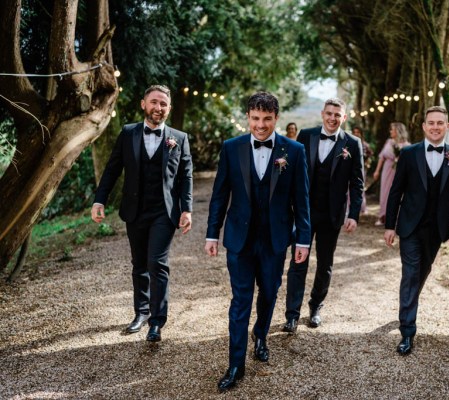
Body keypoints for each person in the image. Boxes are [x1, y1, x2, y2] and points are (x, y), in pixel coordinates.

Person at [205, 92, 310, 392]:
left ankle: (261, 335)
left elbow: (301, 201)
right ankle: (235, 364)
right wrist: (213, 233)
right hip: (239, 239)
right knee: (240, 301)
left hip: (276, 239)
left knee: (269, 293)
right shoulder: (231, 148)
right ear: (248, 117)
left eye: (266, 119)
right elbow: (219, 195)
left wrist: (303, 240)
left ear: (276, 118)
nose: (260, 125)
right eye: (255, 118)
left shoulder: (294, 150)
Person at [91, 85, 193, 342]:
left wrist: (187, 209)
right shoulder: (128, 133)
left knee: (156, 262)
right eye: (154, 102)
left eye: (164, 104)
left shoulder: (179, 138)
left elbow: (185, 177)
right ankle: (141, 312)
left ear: (168, 109)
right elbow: (113, 169)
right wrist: (99, 200)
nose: (159, 108)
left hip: (164, 211)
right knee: (139, 264)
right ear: (143, 104)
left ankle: (157, 322)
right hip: (135, 210)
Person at [384, 106, 449, 356]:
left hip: (437, 228)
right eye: (430, 123)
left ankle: (408, 302)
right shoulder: (409, 154)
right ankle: (407, 331)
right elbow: (396, 191)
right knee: (410, 274)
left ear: (446, 126)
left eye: (439, 123)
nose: (435, 127)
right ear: (423, 126)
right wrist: (390, 225)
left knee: (423, 271)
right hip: (410, 226)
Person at [283, 98, 364, 333]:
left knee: (325, 264)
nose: (332, 118)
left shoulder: (353, 143)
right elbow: (292, 173)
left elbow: (357, 183)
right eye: (329, 113)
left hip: (332, 215)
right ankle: (292, 314)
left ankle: (316, 307)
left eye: (337, 115)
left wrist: (354, 214)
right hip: (304, 213)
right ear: (322, 114)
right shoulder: (306, 135)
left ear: (344, 118)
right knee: (298, 261)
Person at [373, 122, 410, 226]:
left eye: (392, 129)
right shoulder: (389, 142)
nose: (390, 131)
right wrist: (377, 171)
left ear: (398, 131)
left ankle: (397, 217)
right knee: (385, 192)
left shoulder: (407, 145)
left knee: (398, 193)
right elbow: (381, 157)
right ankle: (382, 216)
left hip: (400, 172)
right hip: (387, 169)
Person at [351, 126, 373, 214]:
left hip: (362, 168)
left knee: (360, 187)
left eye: (358, 132)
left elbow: (370, 154)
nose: (356, 134)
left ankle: (362, 207)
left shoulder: (365, 145)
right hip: (351, 168)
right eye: (354, 132)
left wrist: (368, 162)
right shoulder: (350, 143)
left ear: (361, 134)